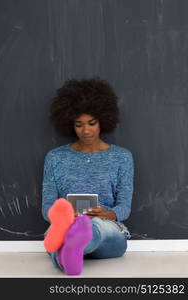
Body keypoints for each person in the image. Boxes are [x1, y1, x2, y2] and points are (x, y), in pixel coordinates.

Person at [42, 77, 134, 275]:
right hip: (67, 221)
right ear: (70, 124)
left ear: (102, 120)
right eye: (79, 124)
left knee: (95, 227)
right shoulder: (55, 158)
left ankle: (71, 242)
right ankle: (71, 244)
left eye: (92, 123)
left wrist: (110, 214)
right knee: (65, 226)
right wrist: (66, 216)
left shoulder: (122, 157)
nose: (86, 130)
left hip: (108, 228)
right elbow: (47, 206)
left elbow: (125, 205)